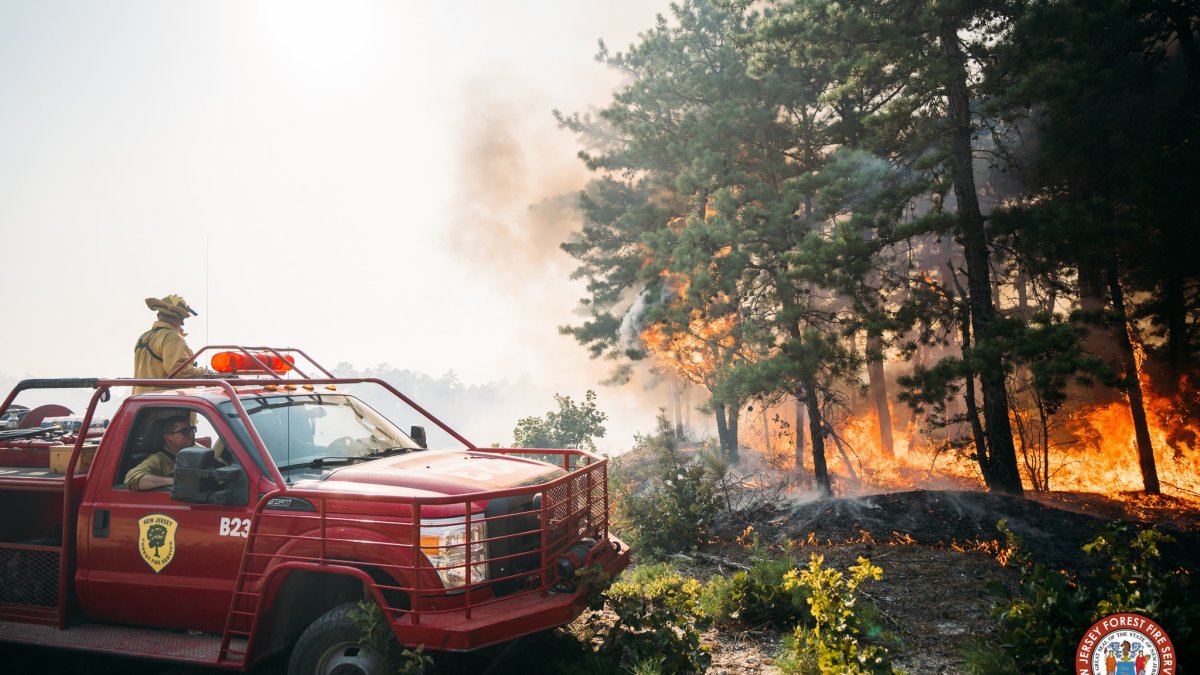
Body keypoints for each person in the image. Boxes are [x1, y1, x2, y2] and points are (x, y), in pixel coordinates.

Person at [133, 295, 214, 393]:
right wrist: (207, 373)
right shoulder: (172, 337)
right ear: (180, 320)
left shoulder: (143, 337)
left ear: (158, 316)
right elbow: (179, 371)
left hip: (141, 402)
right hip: (165, 403)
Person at [124, 415, 195, 490]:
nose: (192, 434)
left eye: (192, 429)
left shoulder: (190, 454)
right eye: (185, 431)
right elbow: (133, 478)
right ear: (168, 438)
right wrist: (176, 481)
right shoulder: (158, 459)